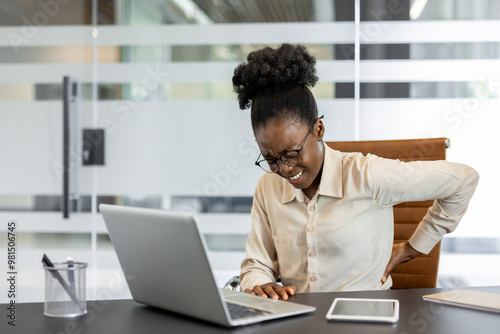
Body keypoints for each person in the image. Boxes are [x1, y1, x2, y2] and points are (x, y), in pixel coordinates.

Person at [232, 43, 479, 300]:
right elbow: (257, 264)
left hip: (366, 316)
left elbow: (464, 180)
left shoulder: (368, 175)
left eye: (291, 154)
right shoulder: (268, 187)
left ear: (318, 130)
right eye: (271, 159)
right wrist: (259, 283)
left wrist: (412, 248)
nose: (284, 169)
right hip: (297, 318)